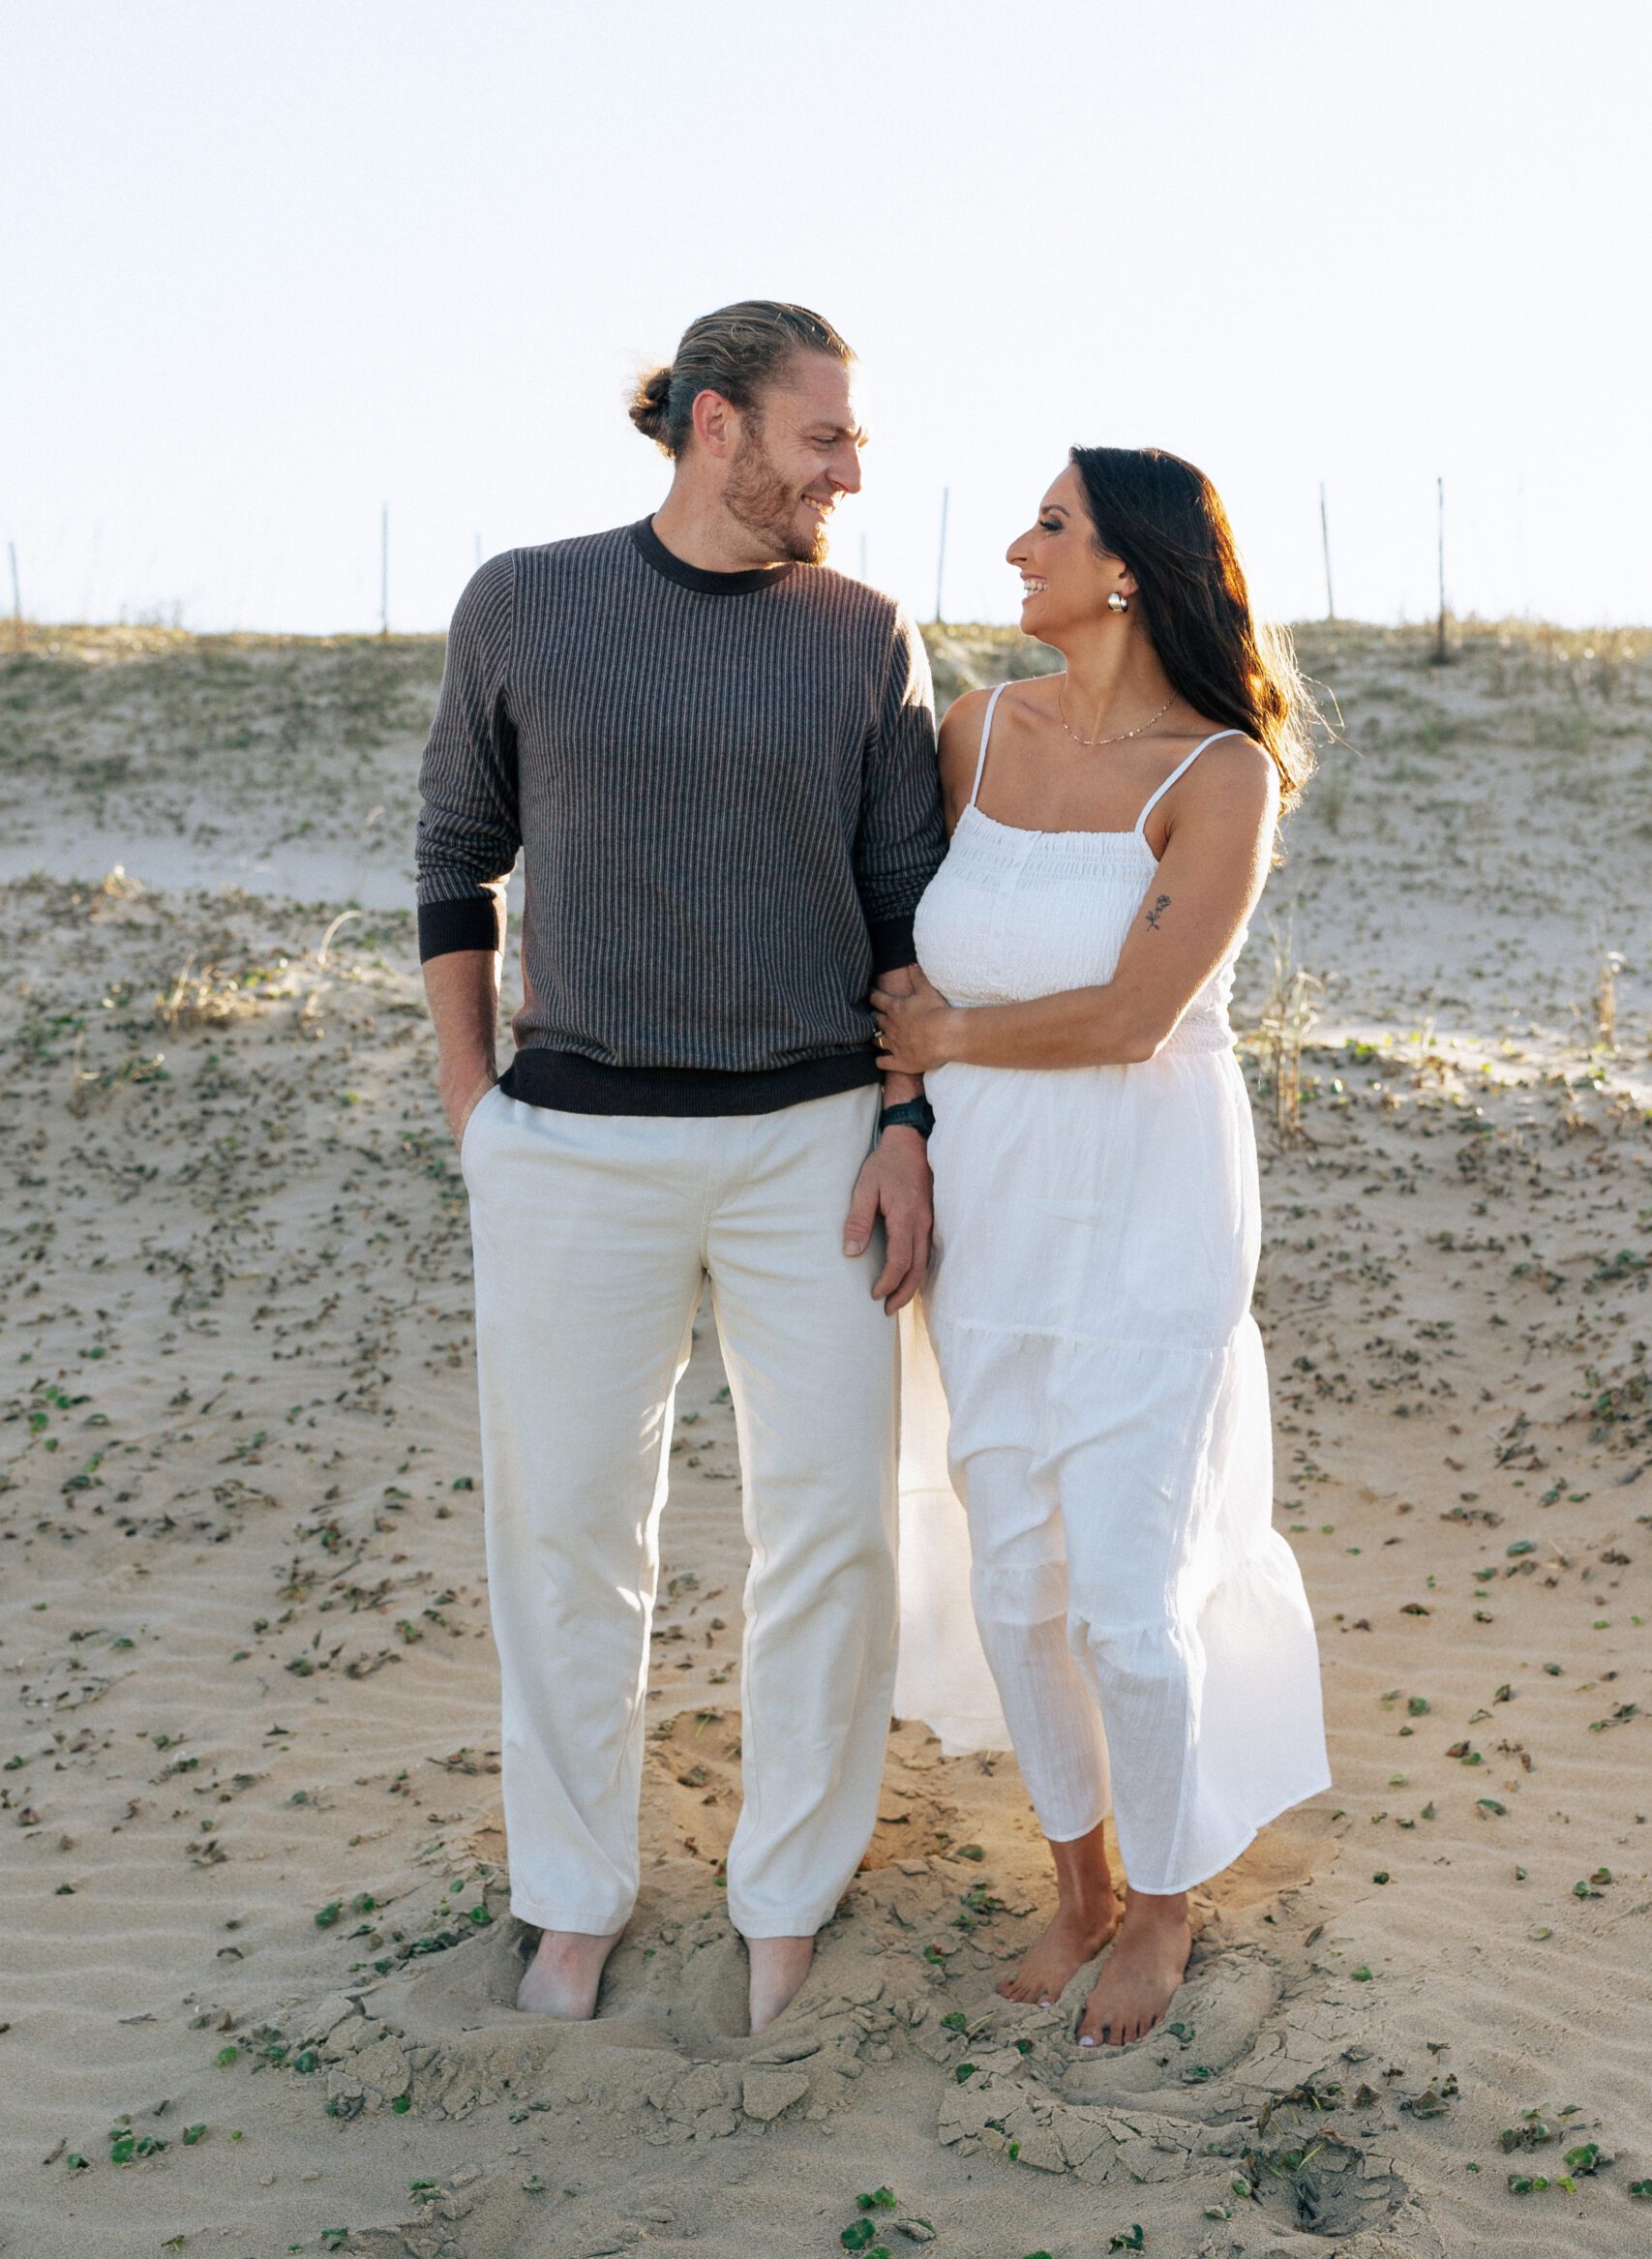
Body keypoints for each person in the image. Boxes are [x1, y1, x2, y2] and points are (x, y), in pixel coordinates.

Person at [415, 301, 945, 2033]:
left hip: (809, 1144)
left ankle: (785, 1890)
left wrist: (901, 1128)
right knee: (568, 1534)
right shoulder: (526, 601)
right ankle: (572, 1898)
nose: (850, 473)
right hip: (571, 1147)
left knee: (834, 1531)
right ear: (717, 425)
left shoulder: (868, 636)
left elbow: (904, 919)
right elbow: (453, 853)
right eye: (825, 440)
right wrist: (472, 1106)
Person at [875, 445, 1331, 2052]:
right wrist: (906, 1107)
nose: (1018, 546)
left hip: (1150, 1209)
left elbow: (1141, 1017)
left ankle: (1164, 1902)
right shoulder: (974, 732)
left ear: (1129, 565)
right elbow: (894, 967)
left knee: (1130, 1593)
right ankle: (1075, 1880)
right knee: (1018, 1573)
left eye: (1051, 526)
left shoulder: (1221, 776)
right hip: (992, 1199)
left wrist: (950, 1032)